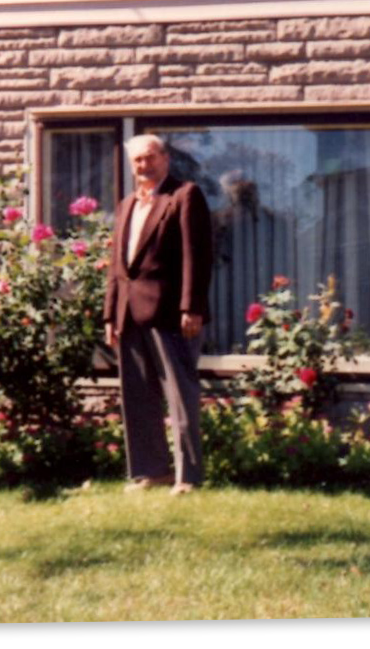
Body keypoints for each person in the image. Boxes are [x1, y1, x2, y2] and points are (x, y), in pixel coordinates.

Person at [103, 133, 212, 494]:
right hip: (129, 314)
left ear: (165, 158)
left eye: (150, 158)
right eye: (137, 161)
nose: (144, 166)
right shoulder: (125, 205)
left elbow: (196, 256)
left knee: (181, 396)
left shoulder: (184, 196)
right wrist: (109, 316)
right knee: (138, 396)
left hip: (170, 314)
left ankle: (187, 476)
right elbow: (118, 267)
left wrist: (192, 307)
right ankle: (153, 471)